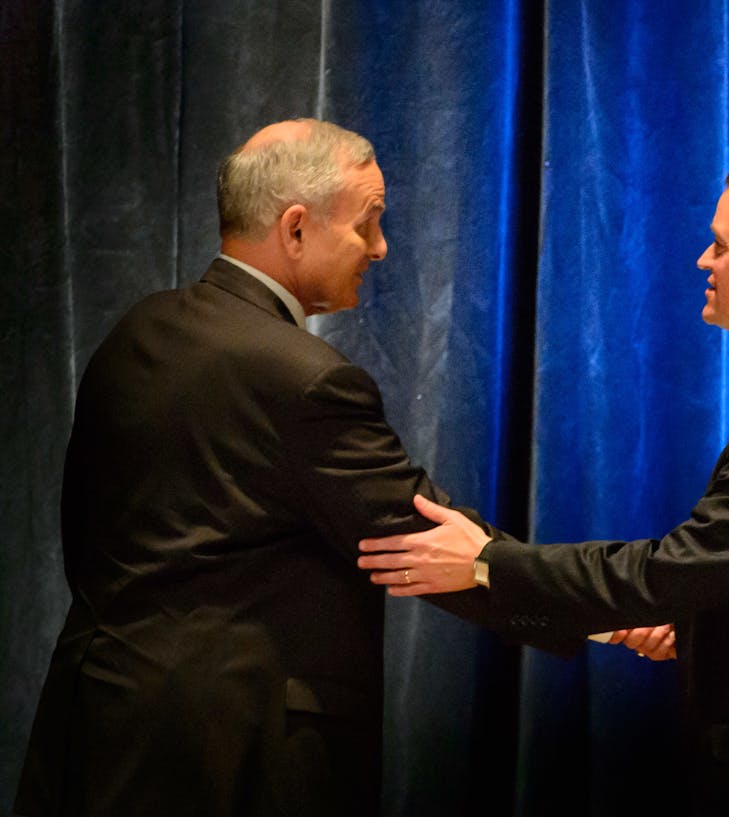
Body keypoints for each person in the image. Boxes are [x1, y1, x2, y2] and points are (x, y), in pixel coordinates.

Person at [358, 156, 729, 816]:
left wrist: (488, 562)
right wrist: (686, 615)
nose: (704, 260)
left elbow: (674, 570)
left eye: (722, 246)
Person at [14, 119, 559, 817]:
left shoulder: (134, 333)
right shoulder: (303, 377)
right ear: (296, 228)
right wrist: (607, 608)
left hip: (94, 728)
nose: (381, 248)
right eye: (369, 224)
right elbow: (414, 534)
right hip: (230, 758)